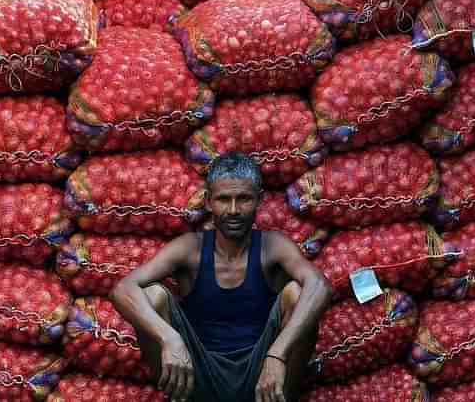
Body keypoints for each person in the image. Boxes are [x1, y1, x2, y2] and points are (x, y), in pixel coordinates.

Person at [110, 152, 332, 402]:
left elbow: (320, 285)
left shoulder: (273, 246)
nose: (234, 210)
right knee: (152, 295)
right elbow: (123, 288)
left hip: (262, 378)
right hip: (197, 375)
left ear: (259, 200)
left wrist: (277, 354)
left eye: (244, 199)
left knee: (298, 293)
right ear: (208, 202)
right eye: (224, 199)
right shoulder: (190, 249)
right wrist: (169, 338)